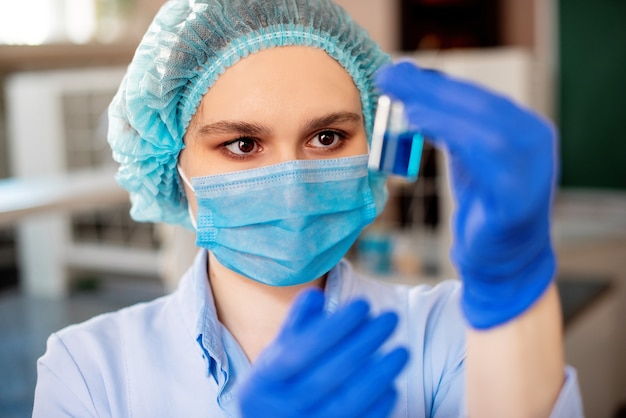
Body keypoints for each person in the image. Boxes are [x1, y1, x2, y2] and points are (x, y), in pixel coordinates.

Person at [33, 0, 584, 417]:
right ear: (174, 163)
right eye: (242, 145)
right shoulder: (90, 369)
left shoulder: (445, 331)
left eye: (326, 138)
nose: (294, 183)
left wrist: (518, 289)